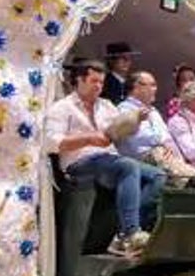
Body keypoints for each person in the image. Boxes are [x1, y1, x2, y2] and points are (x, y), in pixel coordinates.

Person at [45, 60, 166, 257]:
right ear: (79, 80)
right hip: (79, 164)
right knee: (127, 166)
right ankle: (130, 232)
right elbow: (51, 143)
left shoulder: (107, 106)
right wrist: (88, 139)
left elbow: (119, 131)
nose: (98, 86)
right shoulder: (63, 108)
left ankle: (123, 233)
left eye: (101, 82)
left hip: (108, 160)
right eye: (94, 81)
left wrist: (135, 120)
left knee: (158, 176)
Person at [116, 71, 195, 180]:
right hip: (141, 158)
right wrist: (161, 143)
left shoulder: (153, 111)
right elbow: (138, 139)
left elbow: (167, 137)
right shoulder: (125, 109)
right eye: (152, 85)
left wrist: (168, 146)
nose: (155, 89)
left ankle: (194, 179)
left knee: (194, 174)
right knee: (159, 153)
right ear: (136, 87)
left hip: (163, 157)